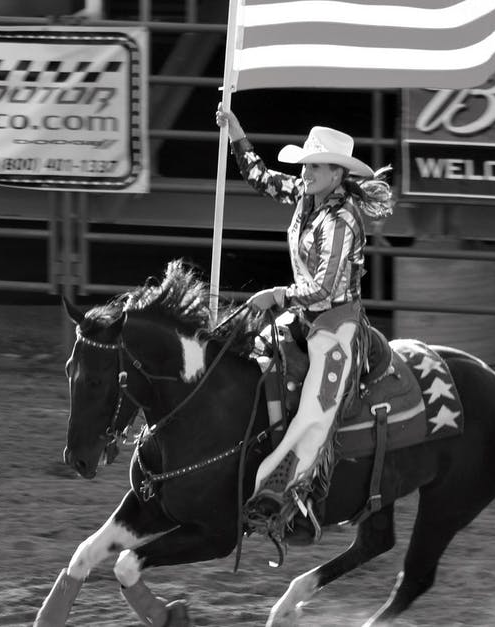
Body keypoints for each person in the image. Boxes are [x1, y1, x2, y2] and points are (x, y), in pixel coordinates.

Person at [215, 104, 392, 543]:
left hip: (336, 325)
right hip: (304, 315)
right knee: (248, 359)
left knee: (316, 411)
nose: (306, 172)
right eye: (306, 165)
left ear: (336, 174)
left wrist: (277, 295)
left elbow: (324, 288)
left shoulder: (342, 219)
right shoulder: (306, 196)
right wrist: (237, 132)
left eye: (315, 166)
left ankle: (290, 500)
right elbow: (259, 177)